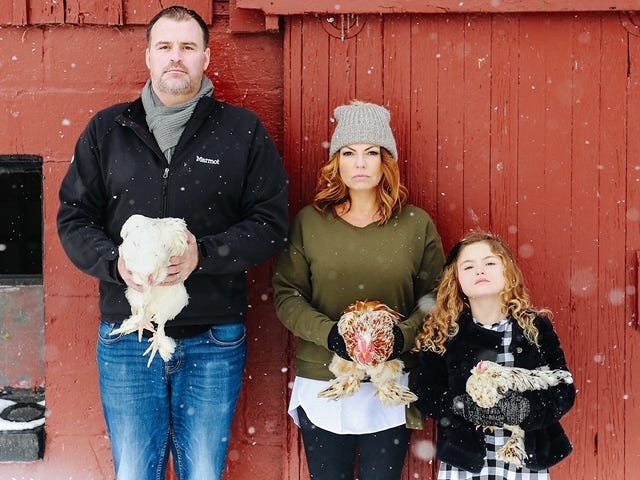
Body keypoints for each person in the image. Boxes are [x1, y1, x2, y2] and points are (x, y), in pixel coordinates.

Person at [56, 6, 289, 480]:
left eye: (187, 47)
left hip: (214, 336)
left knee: (202, 471)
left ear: (206, 57)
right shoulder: (108, 131)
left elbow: (271, 222)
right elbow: (73, 217)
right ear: (148, 56)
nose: (175, 58)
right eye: (165, 47)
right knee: (134, 472)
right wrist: (114, 262)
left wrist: (206, 254)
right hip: (129, 335)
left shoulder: (241, 132)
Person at [272, 100, 445, 479]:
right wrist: (331, 335)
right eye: (349, 153)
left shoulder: (415, 225)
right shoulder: (311, 223)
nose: (361, 162)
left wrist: (401, 337)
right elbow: (287, 295)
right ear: (337, 161)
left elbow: (435, 300)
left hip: (389, 381)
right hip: (324, 376)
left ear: (387, 162)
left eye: (371, 152)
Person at [410, 231, 576, 479]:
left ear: (507, 272)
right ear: (455, 280)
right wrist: (461, 407)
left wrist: (528, 410)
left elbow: (563, 388)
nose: (480, 271)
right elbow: (423, 389)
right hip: (466, 460)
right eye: (468, 267)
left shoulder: (534, 327)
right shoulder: (445, 331)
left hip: (525, 460)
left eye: (489, 263)